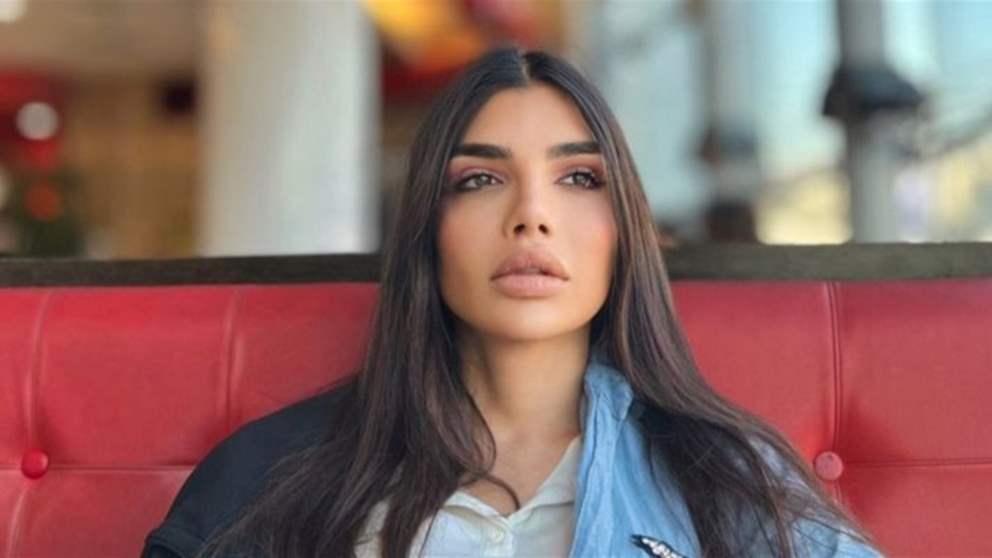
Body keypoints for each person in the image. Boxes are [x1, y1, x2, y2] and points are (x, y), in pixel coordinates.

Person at [141, 46, 885, 558]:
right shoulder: (268, 477)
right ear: (428, 230)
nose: (532, 216)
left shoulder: (727, 478)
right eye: (480, 180)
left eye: (578, 179)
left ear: (623, 230)